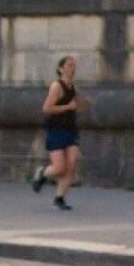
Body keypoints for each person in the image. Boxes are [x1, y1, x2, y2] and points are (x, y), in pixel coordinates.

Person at [30, 56, 86, 211]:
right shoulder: (56, 86)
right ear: (61, 69)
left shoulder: (73, 86)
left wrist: (83, 105)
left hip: (70, 129)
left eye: (74, 66)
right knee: (59, 167)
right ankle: (42, 173)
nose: (72, 69)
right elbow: (47, 108)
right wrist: (68, 107)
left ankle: (59, 198)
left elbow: (75, 106)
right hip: (56, 129)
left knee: (72, 164)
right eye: (69, 65)